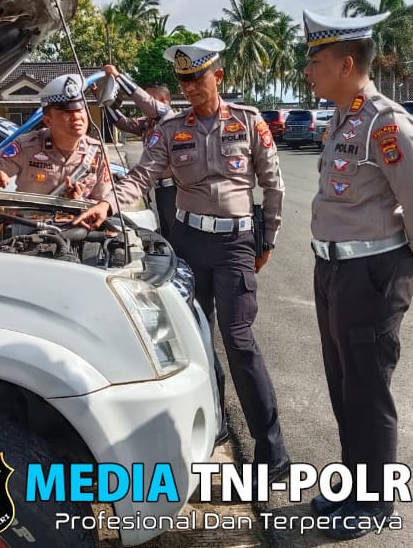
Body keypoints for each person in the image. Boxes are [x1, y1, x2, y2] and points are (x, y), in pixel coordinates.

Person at [74, 38, 291, 483]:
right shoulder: (171, 128)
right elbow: (141, 175)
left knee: (239, 341)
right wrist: (108, 205)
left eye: (198, 77)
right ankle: (216, 425)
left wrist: (266, 238)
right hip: (189, 242)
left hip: (235, 244)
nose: (190, 86)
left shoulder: (249, 122)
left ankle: (272, 451)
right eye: (184, 80)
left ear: (219, 78)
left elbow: (273, 185)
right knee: (195, 338)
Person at [302, 9, 413, 539]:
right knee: (344, 386)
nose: (308, 71)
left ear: (346, 63)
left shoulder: (385, 122)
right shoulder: (342, 119)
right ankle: (350, 491)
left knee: (367, 389)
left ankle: (375, 503)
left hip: (372, 274)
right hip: (333, 270)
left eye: (316, 61)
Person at [0, 73, 115, 208]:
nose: (76, 117)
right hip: (30, 230)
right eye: (66, 112)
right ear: (48, 121)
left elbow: (102, 202)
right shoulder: (26, 147)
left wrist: (78, 202)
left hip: (77, 230)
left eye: (80, 109)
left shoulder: (98, 152)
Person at [99, 65, 178, 239]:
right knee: (165, 233)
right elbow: (122, 123)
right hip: (158, 189)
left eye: (150, 98)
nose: (143, 105)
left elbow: (145, 102)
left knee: (177, 234)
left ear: (163, 100)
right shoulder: (148, 123)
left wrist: (119, 77)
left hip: (174, 189)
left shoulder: (169, 118)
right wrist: (105, 101)